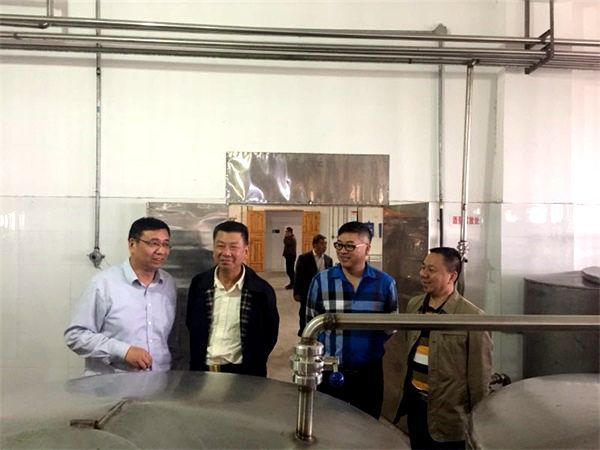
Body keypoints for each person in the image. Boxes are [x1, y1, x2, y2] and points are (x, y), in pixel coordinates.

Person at [394, 247, 493, 450]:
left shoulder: (472, 317)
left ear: (452, 276)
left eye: (431, 270)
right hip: (416, 408)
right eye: (423, 267)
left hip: (449, 417)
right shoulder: (414, 306)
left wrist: (478, 424)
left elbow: (479, 379)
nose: (423, 274)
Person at [306, 221, 397, 419]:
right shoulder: (321, 281)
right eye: (339, 245)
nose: (342, 251)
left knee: (367, 425)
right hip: (330, 371)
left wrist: (364, 347)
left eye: (350, 246)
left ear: (367, 249)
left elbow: (390, 327)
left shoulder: (384, 283)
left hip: (369, 372)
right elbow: (310, 325)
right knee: (328, 425)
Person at [65, 217, 177, 376]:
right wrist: (123, 351)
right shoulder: (104, 284)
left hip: (159, 383)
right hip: (112, 385)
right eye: (154, 243)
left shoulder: (168, 284)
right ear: (132, 244)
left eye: (165, 244)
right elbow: (75, 335)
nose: (161, 251)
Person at [186, 220, 279, 377]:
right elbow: (191, 324)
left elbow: (270, 336)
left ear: (246, 252)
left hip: (245, 375)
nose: (226, 253)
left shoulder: (261, 291)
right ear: (213, 248)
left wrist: (253, 361)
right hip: (202, 372)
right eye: (220, 246)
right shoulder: (199, 284)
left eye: (233, 247)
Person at [293, 234, 333, 336]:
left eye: (325, 244)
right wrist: (296, 292)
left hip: (323, 292)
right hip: (307, 291)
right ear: (315, 245)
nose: (324, 246)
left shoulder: (328, 260)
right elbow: (298, 276)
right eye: (322, 243)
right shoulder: (304, 258)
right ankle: (304, 332)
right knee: (304, 311)